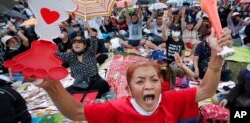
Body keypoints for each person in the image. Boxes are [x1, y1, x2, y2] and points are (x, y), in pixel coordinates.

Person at [26, 28, 232, 122]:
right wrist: (53, 86)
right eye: (140, 81)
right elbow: (76, 113)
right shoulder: (116, 108)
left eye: (154, 79)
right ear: (130, 89)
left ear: (161, 85)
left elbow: (206, 90)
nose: (149, 85)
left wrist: (216, 57)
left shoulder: (171, 100)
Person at [56, 21, 110, 98]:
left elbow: (93, 39)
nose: (76, 44)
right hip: (79, 84)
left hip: (94, 82)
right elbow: (56, 54)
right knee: (64, 94)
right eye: (74, 43)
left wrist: (88, 28)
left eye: (79, 43)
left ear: (84, 45)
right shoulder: (70, 55)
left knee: (102, 84)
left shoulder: (90, 52)